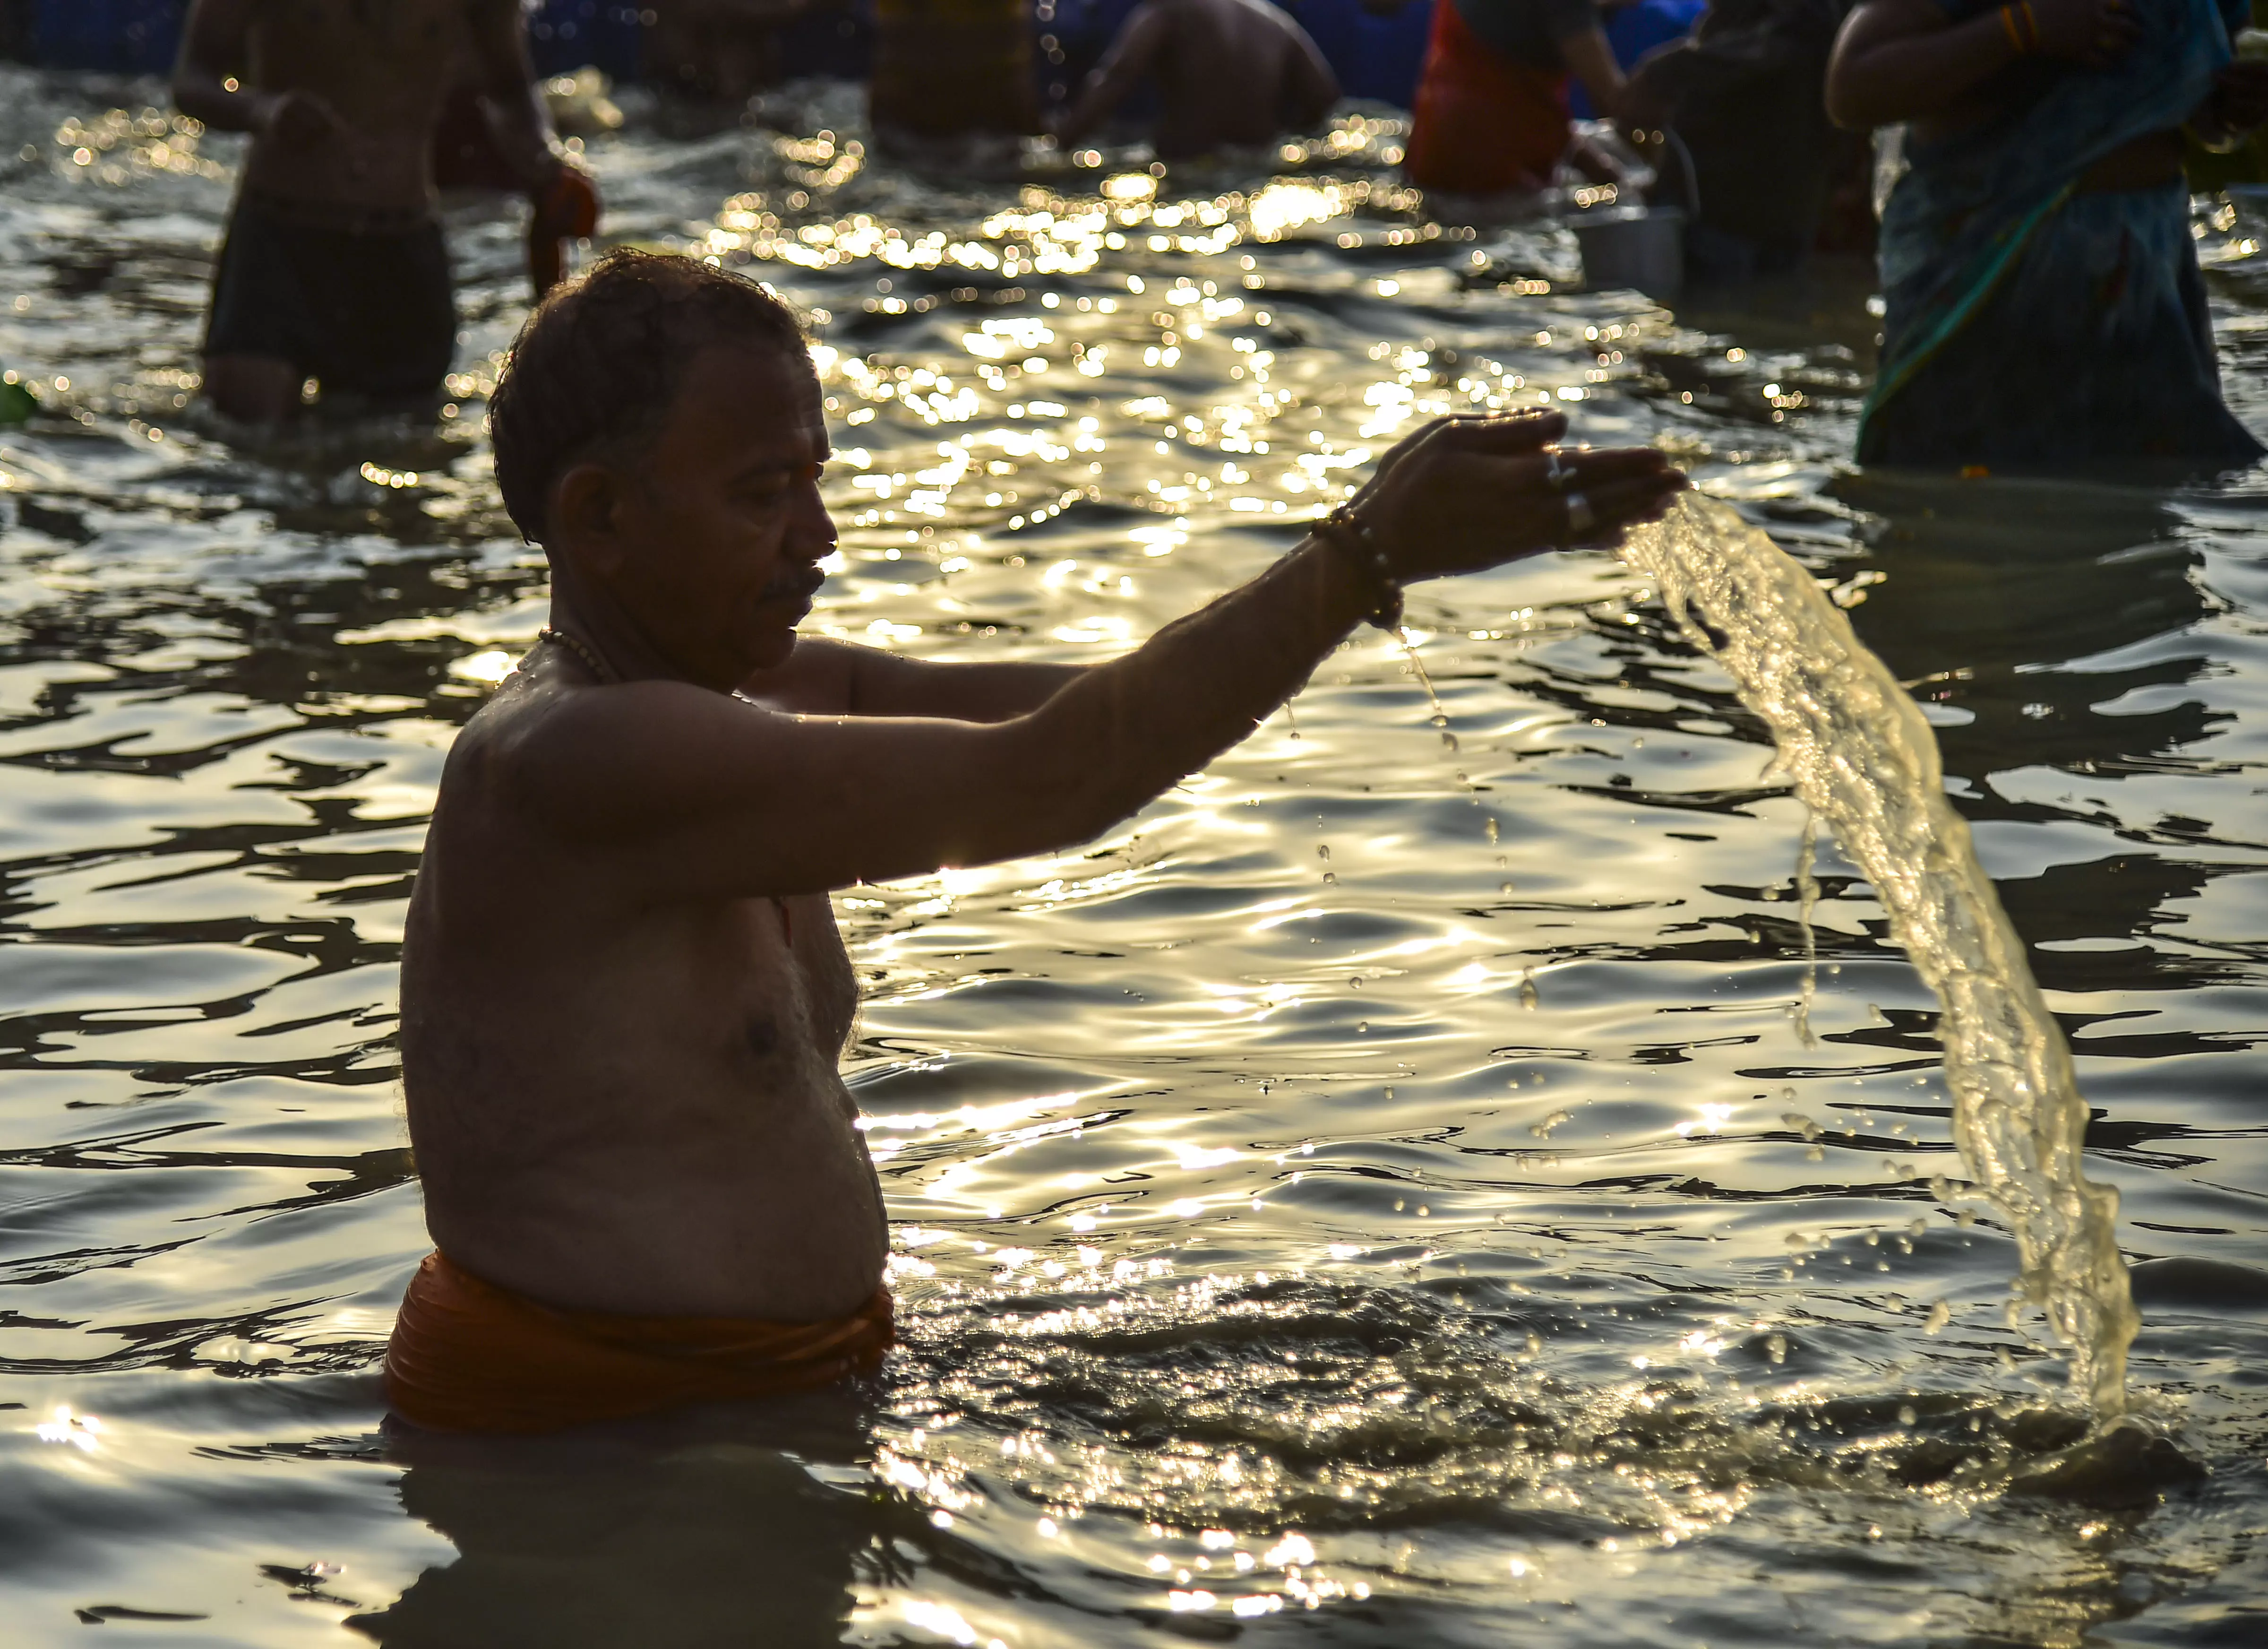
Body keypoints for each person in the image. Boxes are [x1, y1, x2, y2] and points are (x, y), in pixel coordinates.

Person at [381, 249, 1685, 1433]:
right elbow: (1060, 775)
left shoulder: (758, 699)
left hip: (774, 1404)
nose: (819, 537)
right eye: (764, 493)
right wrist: (1361, 551)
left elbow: (1097, 703)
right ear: (599, 517)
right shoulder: (571, 760)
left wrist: (1375, 575)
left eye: (818, 483)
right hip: (591, 1460)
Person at [1828, 0, 2268, 469]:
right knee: (1956, 484)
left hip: (2144, 286)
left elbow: (2187, 101)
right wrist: (2022, 29)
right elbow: (1852, 88)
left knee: (2141, 500)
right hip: (1990, 284)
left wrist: (2233, 105)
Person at [172, 0, 597, 425]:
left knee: (402, 452)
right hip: (278, 243)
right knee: (244, 441)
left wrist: (548, 162)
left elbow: (511, 91)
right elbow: (192, 80)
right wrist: (262, 111)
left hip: (402, 247)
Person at [1620, 0, 1858, 285]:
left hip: (1735, 215)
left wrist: (1666, 71)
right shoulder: (1738, 19)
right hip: (1766, 207)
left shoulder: (1802, 21)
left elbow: (1785, 43)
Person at [1048, 0, 1340, 159]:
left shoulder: (1168, 11)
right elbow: (1325, 98)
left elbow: (1118, 76)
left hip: (1185, 168)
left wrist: (1058, 148)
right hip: (1255, 166)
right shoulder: (1275, 21)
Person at [1403, 0, 1637, 194]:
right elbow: (1616, 106)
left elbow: (1527, 112)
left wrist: (1611, 178)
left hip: (1431, 162)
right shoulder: (1567, 9)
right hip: (1493, 186)